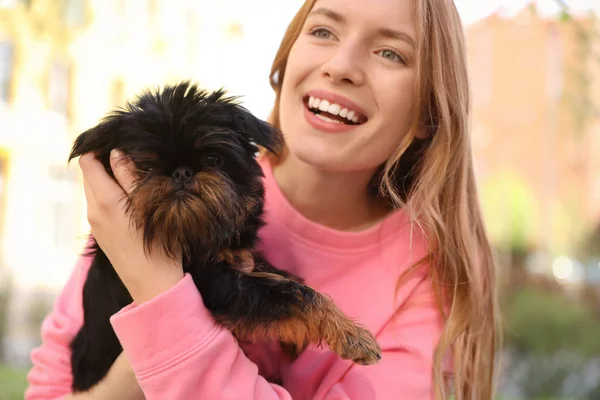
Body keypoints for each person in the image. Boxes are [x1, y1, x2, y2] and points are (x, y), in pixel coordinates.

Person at [24, 0, 500, 398]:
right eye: (323, 30)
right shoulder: (142, 205)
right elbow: (49, 387)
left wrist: (157, 295)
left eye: (390, 53)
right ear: (286, 60)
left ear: (428, 112)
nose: (341, 66)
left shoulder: (426, 286)